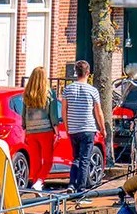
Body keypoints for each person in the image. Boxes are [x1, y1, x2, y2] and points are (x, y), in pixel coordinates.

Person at [60, 61, 107, 193]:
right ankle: (81, 189)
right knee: (85, 159)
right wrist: (103, 129)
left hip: (73, 129)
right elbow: (98, 111)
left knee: (76, 158)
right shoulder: (92, 90)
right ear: (88, 73)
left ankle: (71, 184)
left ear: (76, 72)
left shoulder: (68, 89)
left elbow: (64, 110)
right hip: (88, 129)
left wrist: (67, 126)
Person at [21, 66, 57, 191]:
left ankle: (36, 184)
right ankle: (40, 181)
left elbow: (23, 113)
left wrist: (24, 128)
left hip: (31, 131)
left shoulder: (27, 93)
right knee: (48, 160)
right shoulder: (49, 93)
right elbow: (53, 114)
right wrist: (56, 128)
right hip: (46, 130)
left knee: (35, 160)